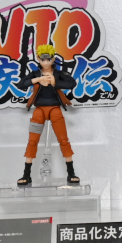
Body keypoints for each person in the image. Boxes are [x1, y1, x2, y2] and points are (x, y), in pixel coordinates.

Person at [17, 44, 80, 186]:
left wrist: (55, 82)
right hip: (39, 109)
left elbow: (72, 83)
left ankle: (71, 173)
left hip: (54, 108)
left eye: (48, 59)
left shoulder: (58, 74)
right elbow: (21, 84)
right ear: (38, 59)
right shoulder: (35, 74)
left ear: (53, 59)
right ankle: (26, 174)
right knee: (32, 141)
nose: (45, 63)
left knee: (63, 140)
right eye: (43, 60)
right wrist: (37, 80)